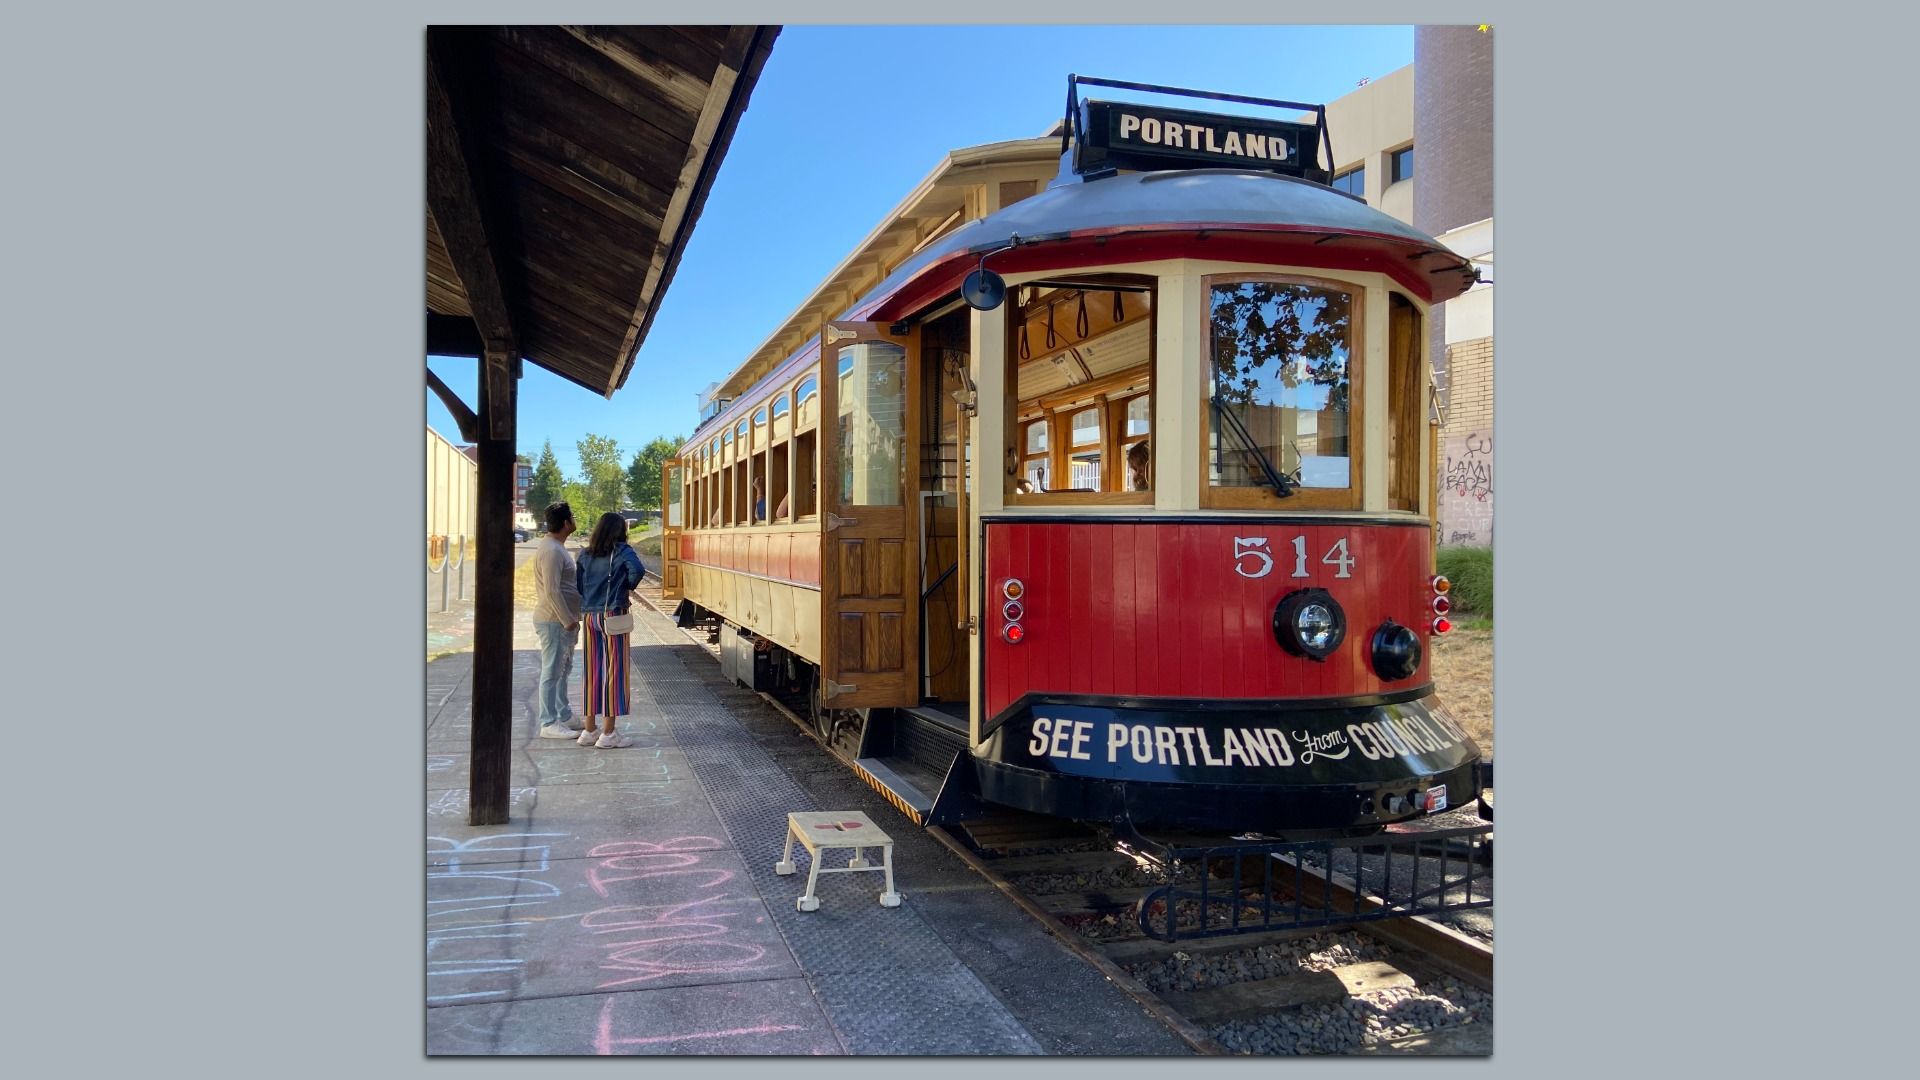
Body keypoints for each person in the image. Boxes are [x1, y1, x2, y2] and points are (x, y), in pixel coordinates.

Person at [575, 512, 647, 748]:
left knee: (592, 671)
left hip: (589, 616)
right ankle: (608, 733)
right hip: (613, 615)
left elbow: (579, 584)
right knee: (614, 671)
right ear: (620, 531)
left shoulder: (585, 554)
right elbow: (638, 570)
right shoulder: (622, 551)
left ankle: (589, 730)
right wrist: (625, 587)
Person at [532, 502, 585, 739]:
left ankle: (564, 715)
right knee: (552, 671)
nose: (574, 520)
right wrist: (567, 620)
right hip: (554, 621)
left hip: (563, 621)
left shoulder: (556, 547)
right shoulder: (552, 550)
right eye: (572, 517)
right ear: (566, 523)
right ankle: (548, 721)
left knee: (563, 669)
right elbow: (552, 591)